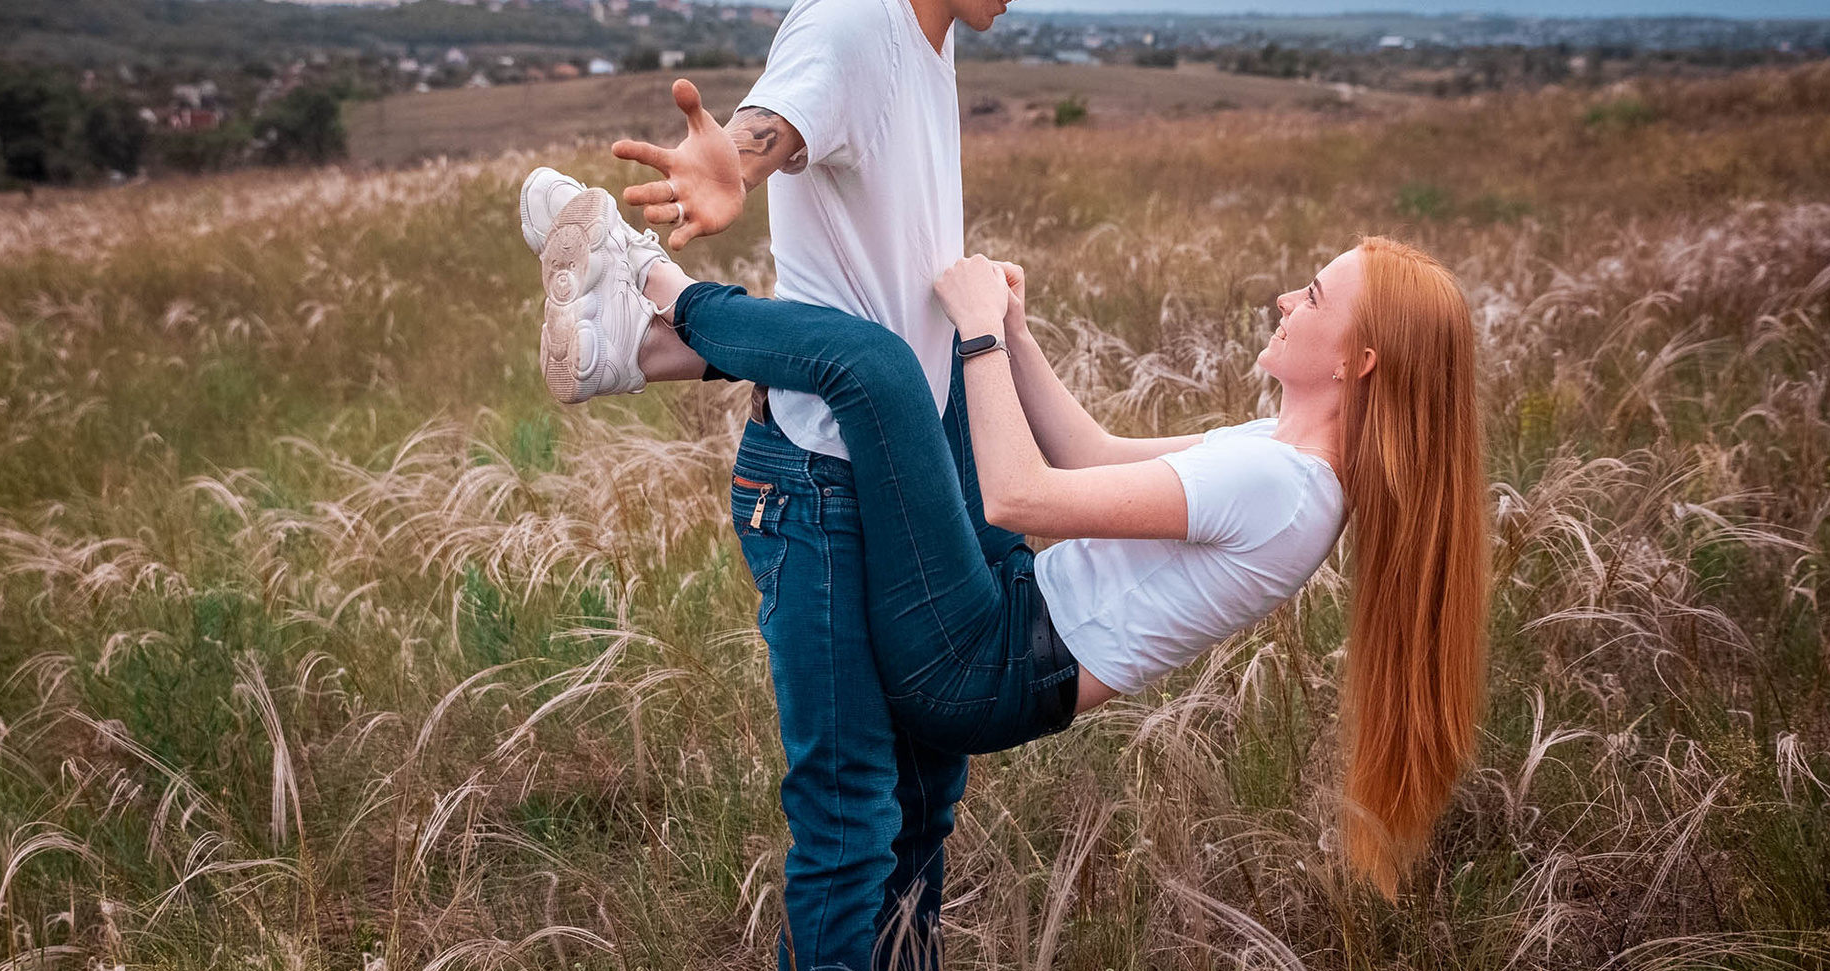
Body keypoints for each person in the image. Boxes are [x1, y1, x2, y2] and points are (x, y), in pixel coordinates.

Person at [520, 0, 1093, 971]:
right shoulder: (852, 19)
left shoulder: (928, 46)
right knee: (850, 818)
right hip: (825, 490)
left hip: (916, 469)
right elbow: (776, 121)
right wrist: (732, 160)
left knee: (929, 797)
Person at [518, 179, 1491, 903]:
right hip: (1005, 616)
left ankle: (647, 276)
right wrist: (1011, 335)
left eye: (1312, 299)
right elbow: (1092, 454)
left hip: (984, 663)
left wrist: (982, 333)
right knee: (926, 350)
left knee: (879, 372)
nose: (1285, 300)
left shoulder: (1282, 488)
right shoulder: (1280, 454)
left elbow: (1025, 495)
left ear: (1360, 361)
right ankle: (633, 349)